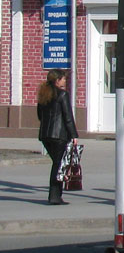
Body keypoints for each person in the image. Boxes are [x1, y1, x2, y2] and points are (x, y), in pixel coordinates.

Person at [36, 69, 78, 205]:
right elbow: (68, 117)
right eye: (63, 79)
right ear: (57, 80)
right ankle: (54, 196)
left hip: (45, 135)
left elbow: (39, 115)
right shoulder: (63, 95)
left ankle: (56, 195)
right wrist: (74, 135)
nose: (65, 81)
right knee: (58, 165)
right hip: (59, 135)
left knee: (57, 164)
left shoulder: (43, 94)